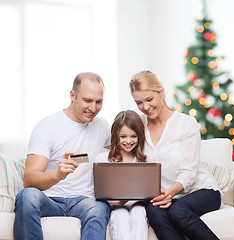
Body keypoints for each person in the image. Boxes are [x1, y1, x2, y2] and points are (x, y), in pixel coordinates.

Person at [13, 72, 111, 240]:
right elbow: (29, 179)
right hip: (50, 199)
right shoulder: (47, 127)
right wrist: (57, 175)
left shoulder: (102, 126)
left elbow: (124, 152)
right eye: (87, 100)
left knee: (100, 207)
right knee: (26, 196)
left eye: (98, 102)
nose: (93, 108)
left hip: (85, 201)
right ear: (72, 95)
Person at [129, 70, 222, 240]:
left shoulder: (186, 124)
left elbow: (188, 172)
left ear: (162, 92)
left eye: (149, 99)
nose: (145, 107)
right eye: (139, 103)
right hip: (165, 196)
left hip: (201, 191)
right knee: (153, 210)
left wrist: (170, 193)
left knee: (178, 211)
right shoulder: (138, 126)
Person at [95, 110, 148, 240]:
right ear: (116, 136)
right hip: (115, 207)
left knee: (139, 213)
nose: (128, 141)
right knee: (120, 215)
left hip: (139, 205)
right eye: (123, 137)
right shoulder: (102, 159)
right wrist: (112, 200)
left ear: (140, 136)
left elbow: (150, 190)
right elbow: (99, 190)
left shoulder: (146, 160)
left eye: (133, 136)